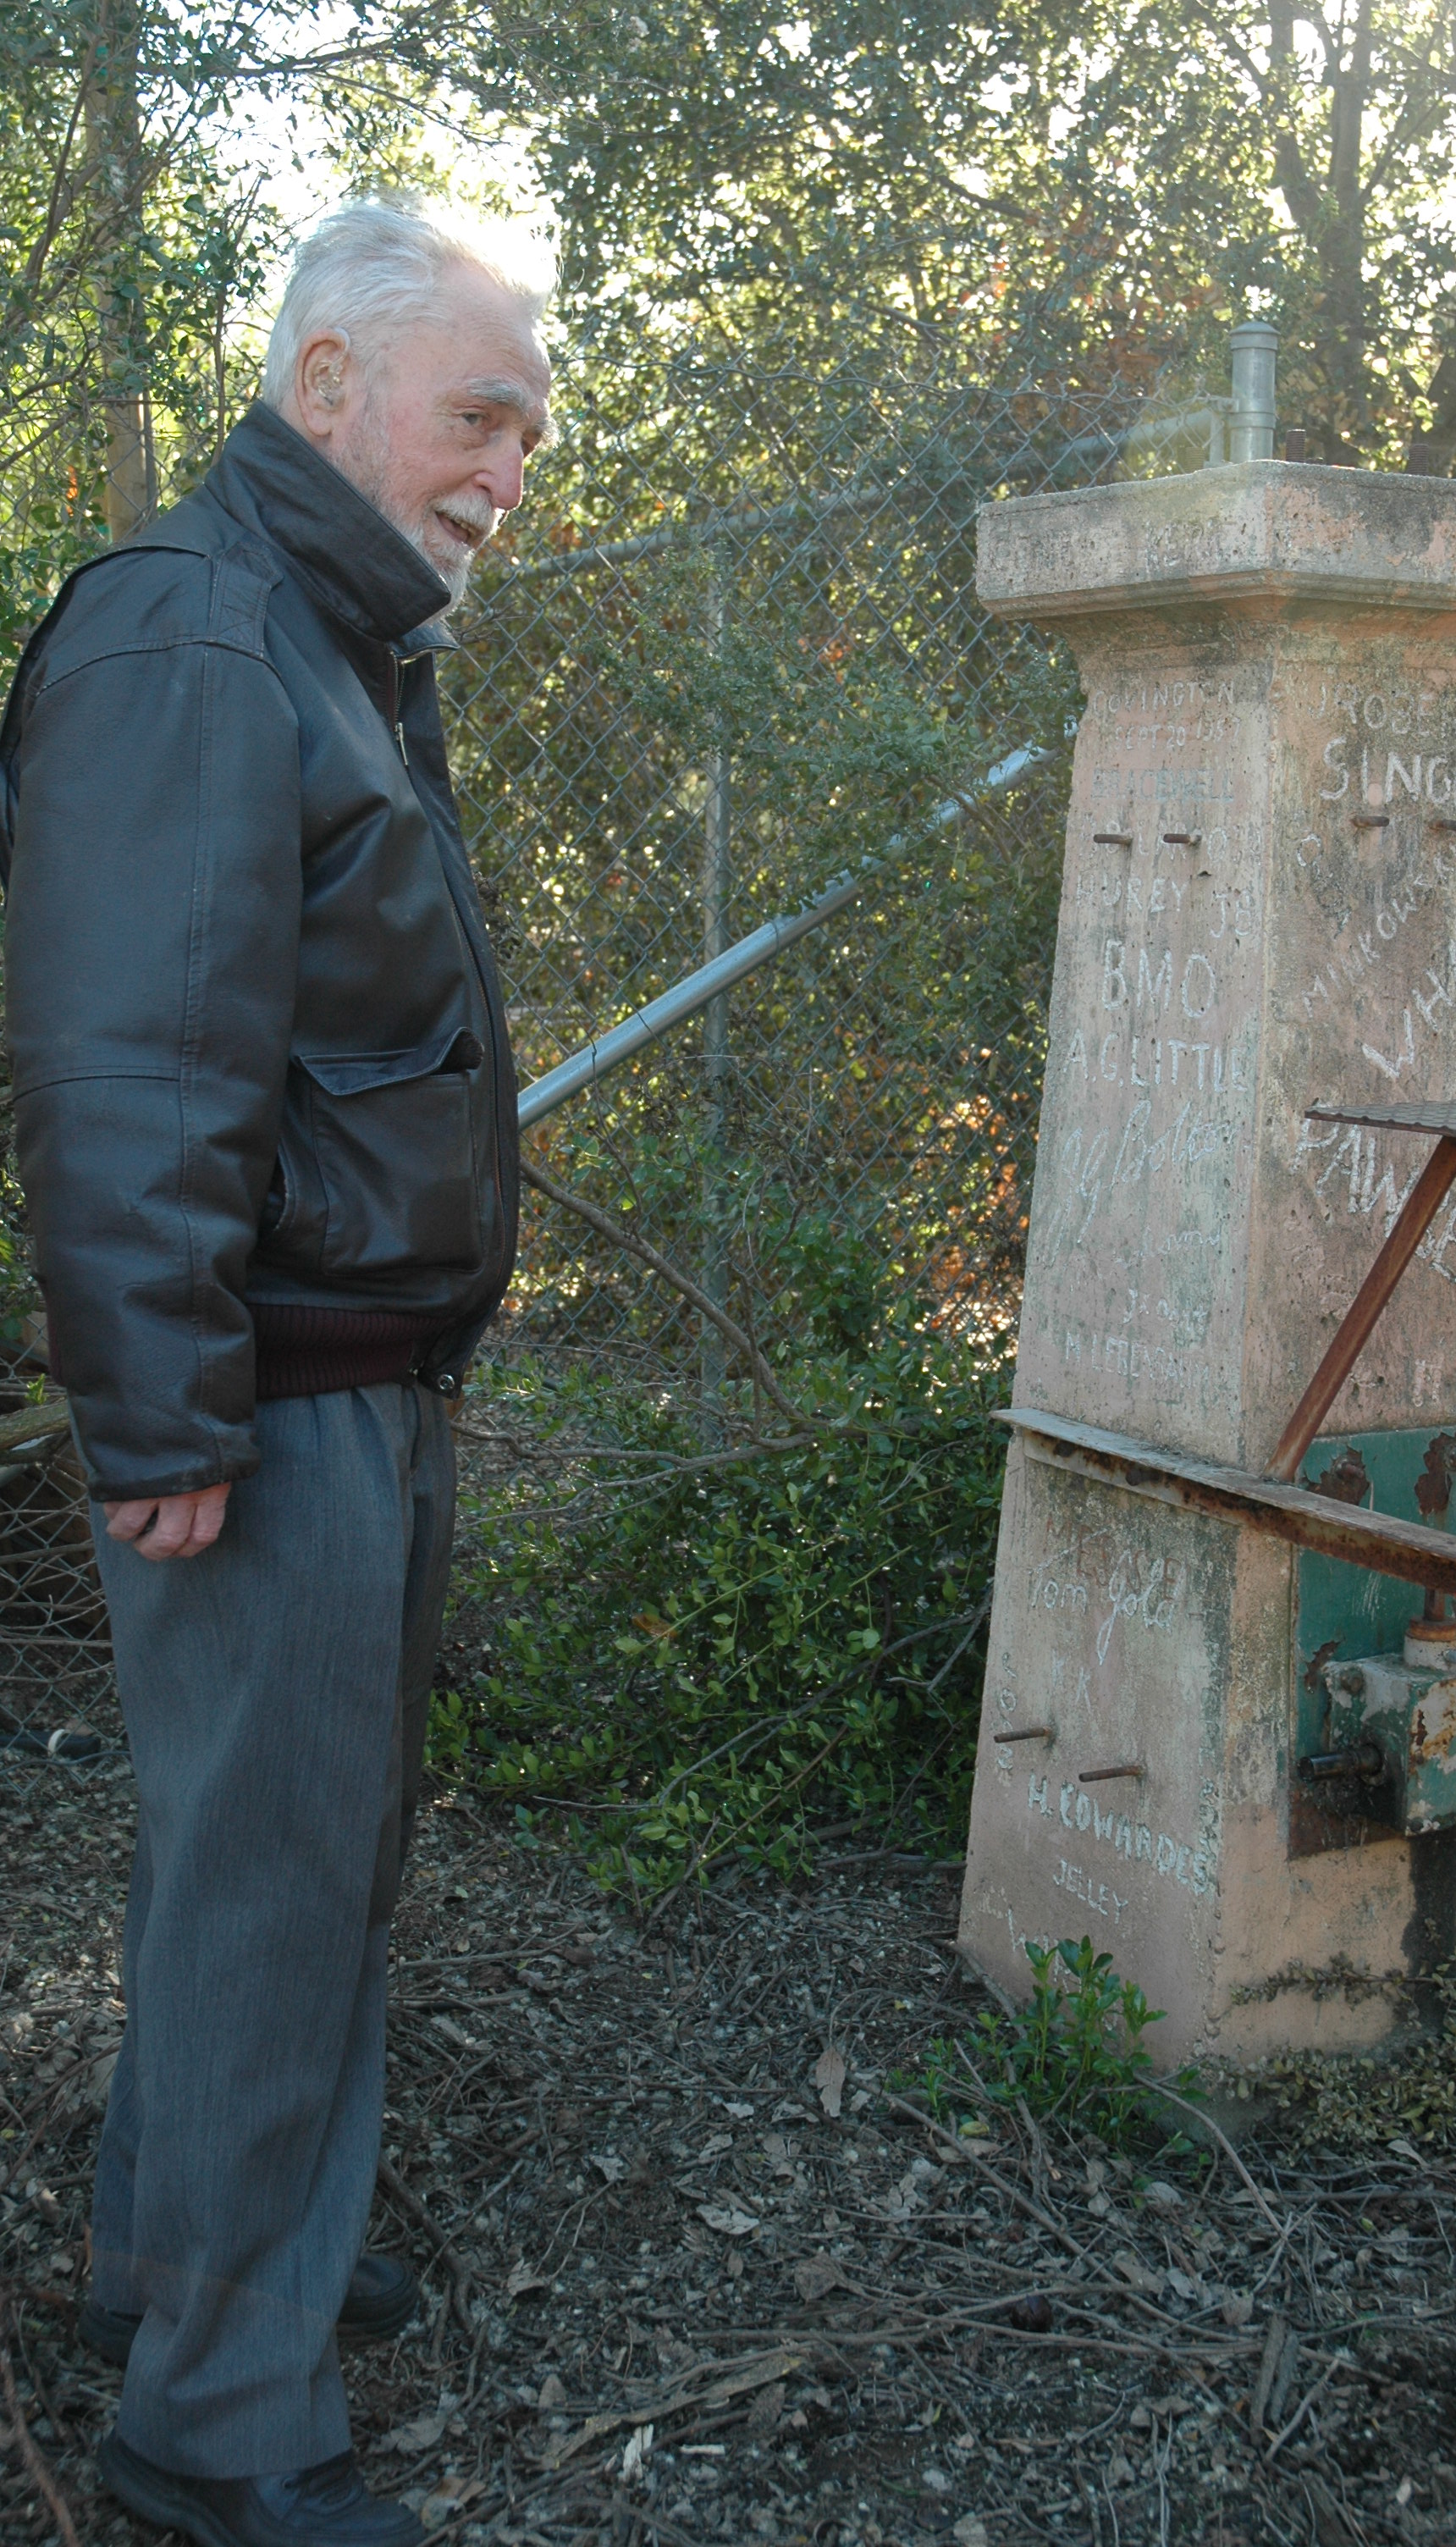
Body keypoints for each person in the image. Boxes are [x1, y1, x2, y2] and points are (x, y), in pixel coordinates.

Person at [0, 196, 554, 2545]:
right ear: (327, 386)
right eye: (476, 415)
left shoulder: (327, 635)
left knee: (275, 1859)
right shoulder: (201, 630)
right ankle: (219, 2428)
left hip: (341, 1378)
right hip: (267, 1401)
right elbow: (130, 1062)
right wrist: (162, 1414)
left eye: (529, 434)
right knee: (275, 1886)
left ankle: (179, 2265)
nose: (506, 473)